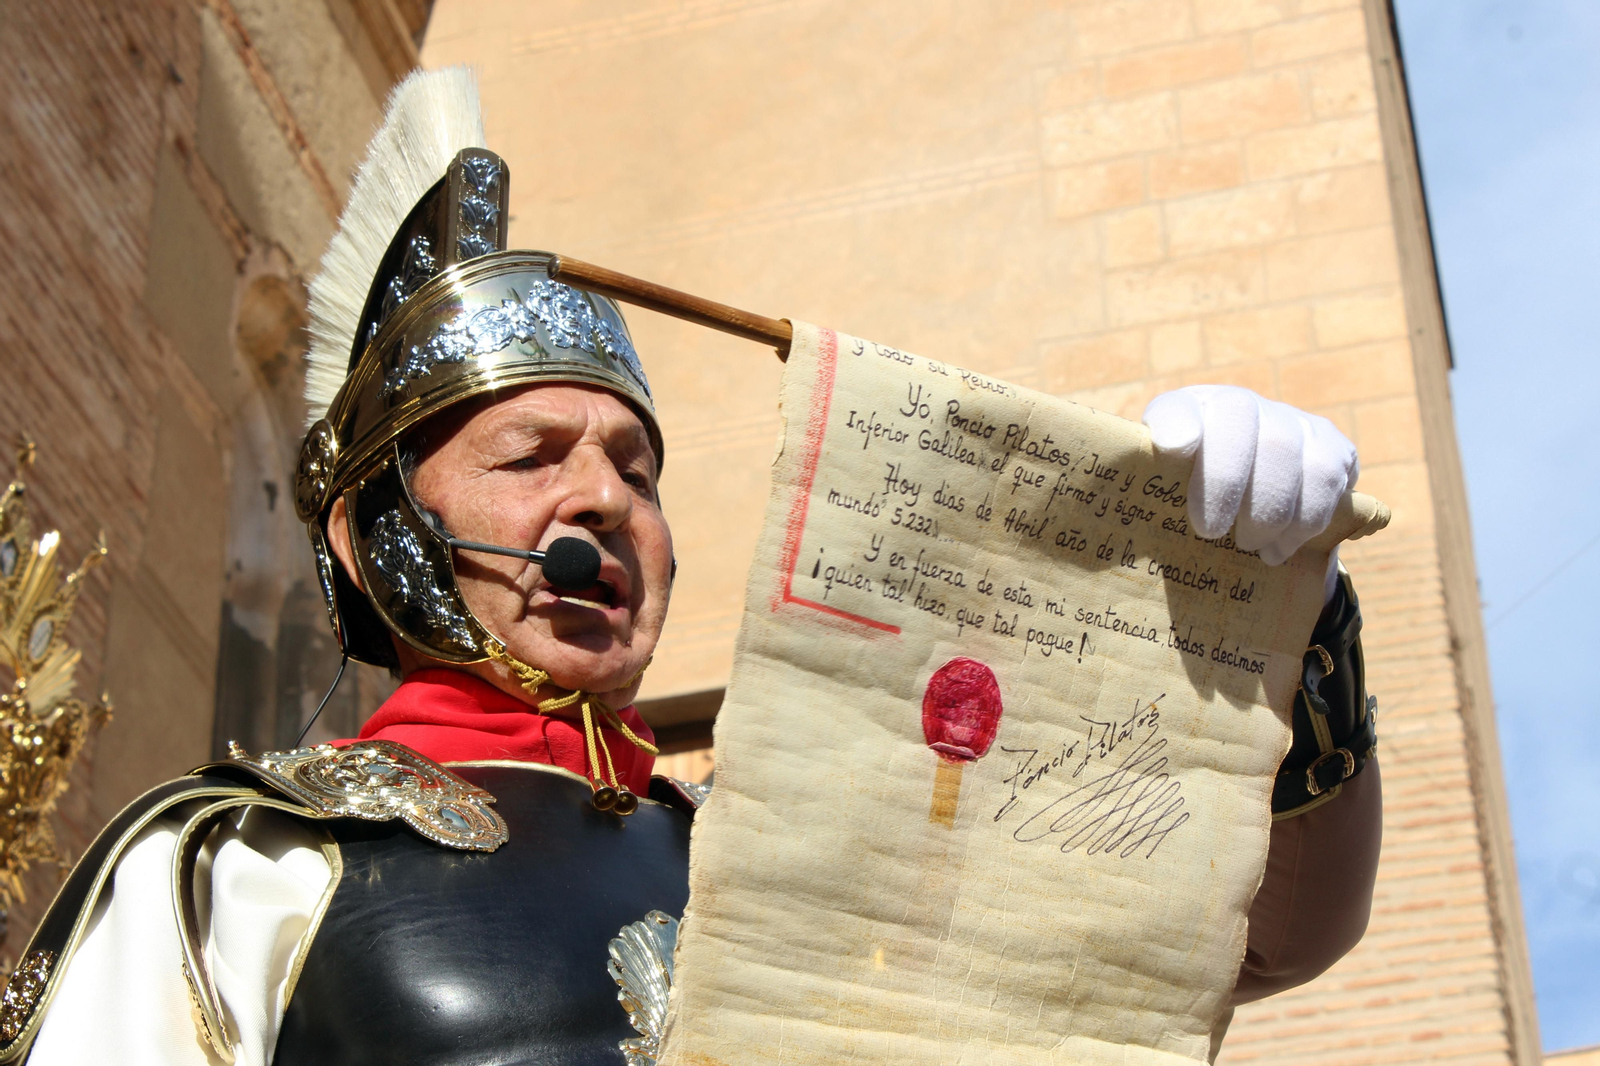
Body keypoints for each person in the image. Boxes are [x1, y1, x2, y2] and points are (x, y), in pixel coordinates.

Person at [3, 69, 1378, 1066]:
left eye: (638, 469)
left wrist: (1284, 613)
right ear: (378, 539)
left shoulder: (777, 845)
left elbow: (1254, 936)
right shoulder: (238, 860)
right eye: (533, 455)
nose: (604, 498)